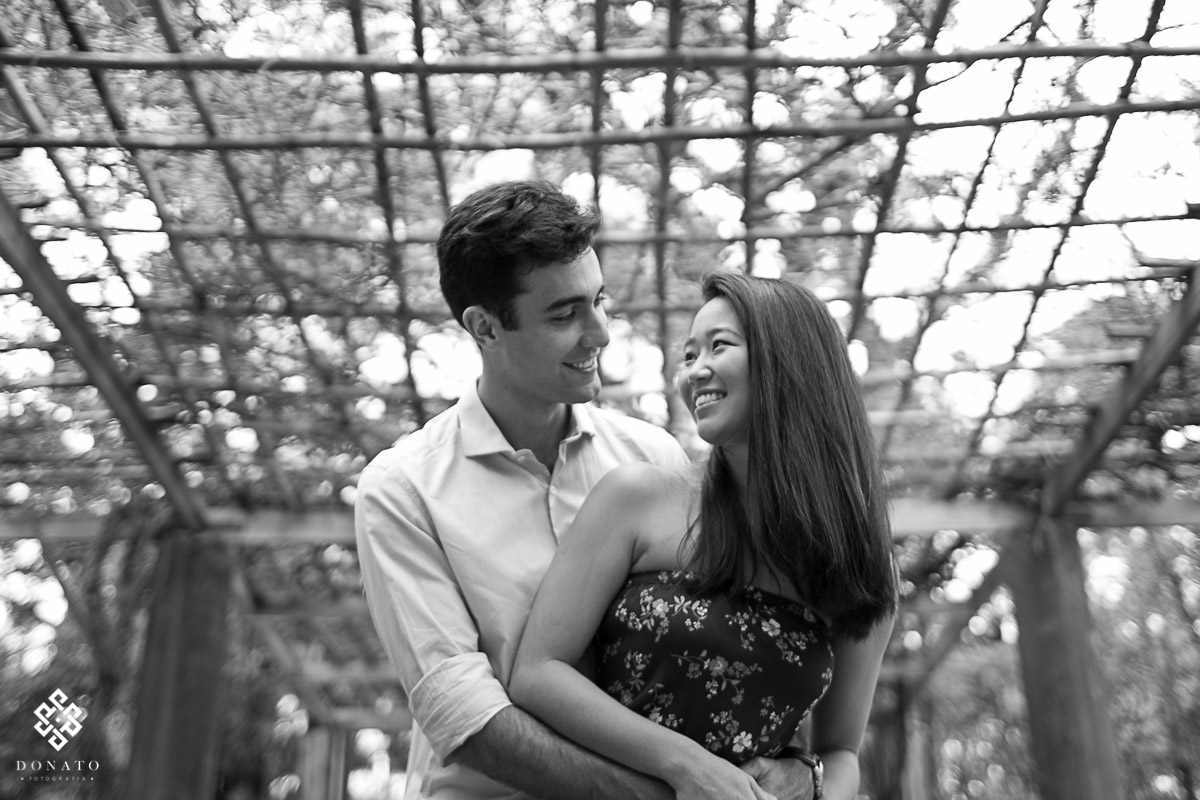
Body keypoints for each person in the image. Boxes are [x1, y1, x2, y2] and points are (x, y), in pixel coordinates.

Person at [355, 181, 812, 800]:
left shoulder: (654, 459)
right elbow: (468, 722)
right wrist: (675, 783)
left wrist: (799, 771)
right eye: (564, 314)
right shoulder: (402, 490)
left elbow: (740, 649)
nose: (599, 333)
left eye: (599, 301)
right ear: (485, 328)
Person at [510, 271, 899, 800]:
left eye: (719, 346)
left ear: (790, 360)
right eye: (689, 355)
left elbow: (842, 754)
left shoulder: (858, 564)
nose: (694, 371)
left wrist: (809, 780)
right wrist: (686, 765)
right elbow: (537, 673)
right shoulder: (636, 497)